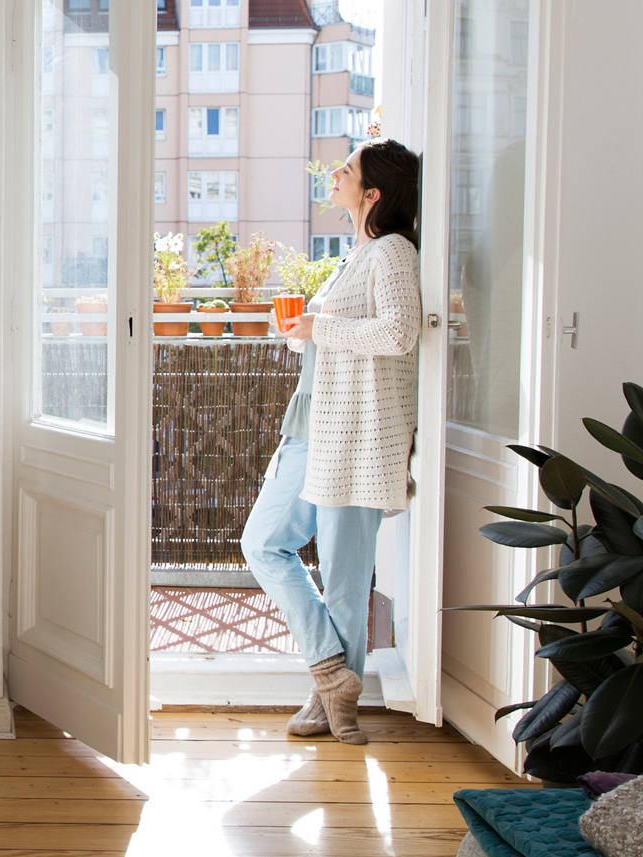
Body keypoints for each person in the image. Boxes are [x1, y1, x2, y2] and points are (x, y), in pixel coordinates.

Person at [240, 139, 422, 745]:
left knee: (345, 575)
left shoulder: (393, 252)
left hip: (357, 432)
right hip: (312, 424)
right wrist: (305, 332)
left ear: (372, 193)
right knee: (263, 542)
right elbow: (339, 335)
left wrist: (321, 326)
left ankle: (331, 705)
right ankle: (331, 671)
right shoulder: (357, 254)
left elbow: (399, 334)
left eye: (348, 169)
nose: (335, 174)